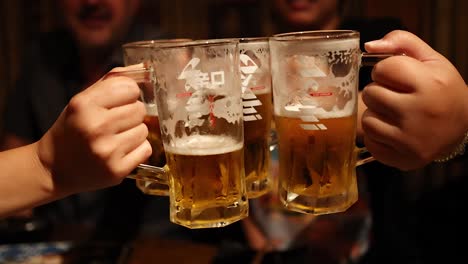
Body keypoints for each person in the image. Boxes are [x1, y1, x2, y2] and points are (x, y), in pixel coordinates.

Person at [0, 0, 166, 243]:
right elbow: (15, 151)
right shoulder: (42, 57)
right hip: (59, 243)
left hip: (155, 245)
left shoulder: (169, 59)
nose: (92, 2)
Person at [0, 67, 151, 218]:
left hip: (148, 231)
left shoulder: (149, 66)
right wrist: (49, 162)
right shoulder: (37, 66)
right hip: (57, 230)